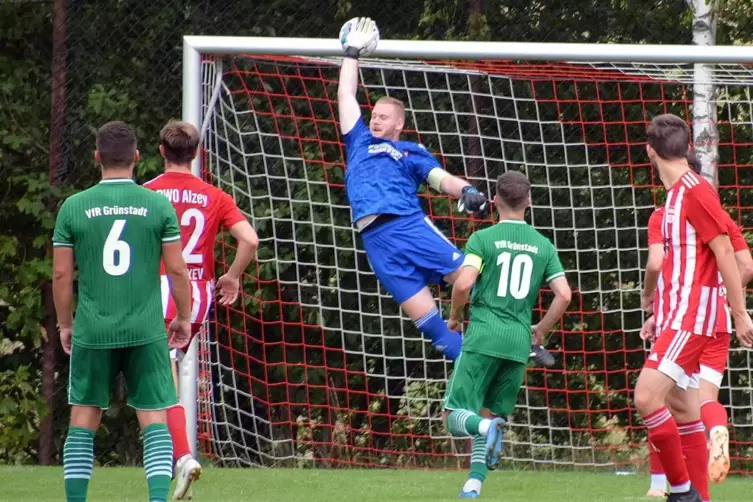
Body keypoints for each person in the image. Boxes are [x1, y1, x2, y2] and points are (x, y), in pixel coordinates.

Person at [52, 121, 193, 502]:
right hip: (145, 328)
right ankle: (158, 499)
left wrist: (67, 324)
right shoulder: (156, 204)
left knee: (84, 418)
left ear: (97, 157)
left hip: (93, 329)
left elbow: (62, 273)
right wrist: (184, 316)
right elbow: (177, 269)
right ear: (136, 157)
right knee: (154, 417)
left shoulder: (73, 207)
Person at [337, 17, 489, 360]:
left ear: (400, 123)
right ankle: (477, 381)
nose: (374, 119)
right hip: (374, 241)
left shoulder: (410, 151)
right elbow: (346, 93)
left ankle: (520, 338)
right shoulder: (358, 141)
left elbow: (441, 179)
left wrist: (467, 190)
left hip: (405, 224)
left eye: (383, 116)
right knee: (430, 325)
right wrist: (351, 52)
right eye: (373, 114)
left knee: (472, 285)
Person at [632, 114, 753, 502]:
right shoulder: (674, 198)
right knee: (685, 411)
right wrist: (658, 314)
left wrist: (739, 312)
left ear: (649, 151)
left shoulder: (695, 190)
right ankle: (696, 496)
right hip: (679, 315)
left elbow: (725, 254)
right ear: (686, 148)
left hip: (694, 316)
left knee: (646, 397)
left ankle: (682, 492)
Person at [143, 120, 259, 500]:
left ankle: (182, 458)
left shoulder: (147, 193)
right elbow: (249, 239)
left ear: (162, 150)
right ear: (196, 153)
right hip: (198, 296)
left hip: (159, 290)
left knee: (158, 391)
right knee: (163, 382)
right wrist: (232, 276)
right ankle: (177, 474)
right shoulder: (214, 195)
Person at [442, 171, 572, 498]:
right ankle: (473, 486)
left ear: (496, 200)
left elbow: (463, 283)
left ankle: (485, 432)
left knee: (455, 417)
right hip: (517, 343)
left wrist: (455, 316)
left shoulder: (482, 240)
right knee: (491, 412)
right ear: (528, 202)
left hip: (484, 336)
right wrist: (541, 329)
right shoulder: (543, 246)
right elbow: (565, 295)